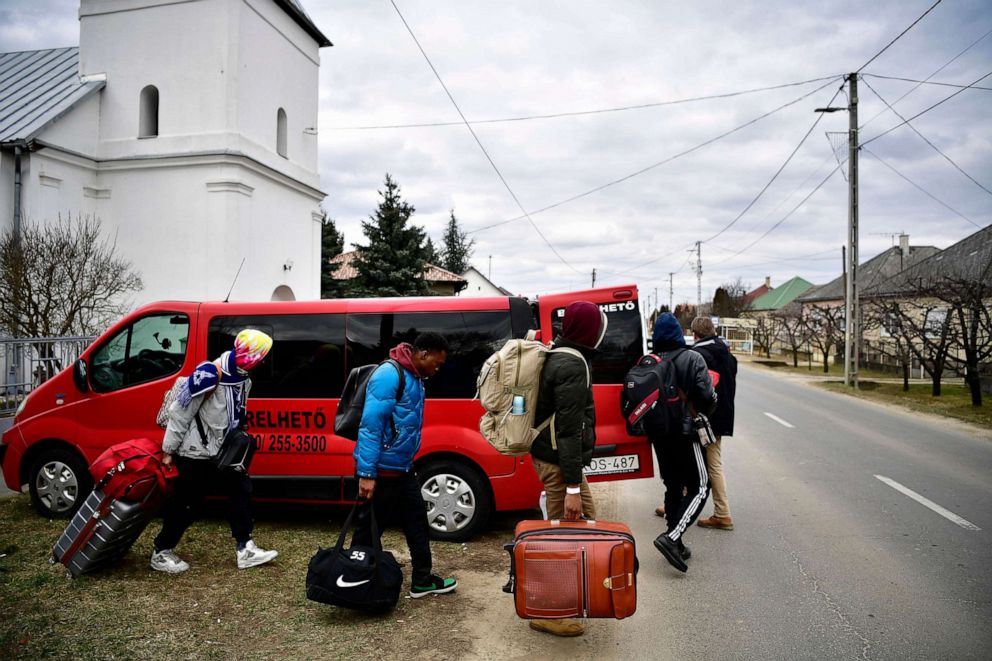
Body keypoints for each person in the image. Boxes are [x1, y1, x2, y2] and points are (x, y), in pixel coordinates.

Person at [150, 329, 278, 573]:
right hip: (195, 453)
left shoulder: (243, 377)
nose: (263, 360)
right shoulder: (210, 373)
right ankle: (161, 551)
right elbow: (180, 411)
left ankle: (245, 548)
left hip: (222, 451)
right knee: (188, 504)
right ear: (250, 355)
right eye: (261, 355)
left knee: (241, 491)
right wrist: (169, 450)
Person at [353, 332, 457, 599]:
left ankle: (422, 580)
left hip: (404, 469)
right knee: (368, 533)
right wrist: (366, 473)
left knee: (418, 525)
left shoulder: (415, 377)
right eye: (437, 362)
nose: (438, 368)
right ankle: (353, 582)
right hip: (383, 472)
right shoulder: (389, 375)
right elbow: (370, 426)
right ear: (423, 354)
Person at [528, 300, 607, 637]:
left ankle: (574, 594)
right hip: (558, 461)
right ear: (589, 331)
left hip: (553, 458)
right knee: (561, 535)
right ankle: (548, 610)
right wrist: (572, 486)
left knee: (587, 522)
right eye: (599, 326)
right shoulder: (572, 365)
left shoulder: (558, 353)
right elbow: (569, 430)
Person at [648, 313, 717, 573]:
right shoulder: (692, 358)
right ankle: (672, 537)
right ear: (679, 333)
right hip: (686, 433)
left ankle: (675, 541)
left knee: (673, 485)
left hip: (659, 434)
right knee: (701, 486)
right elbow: (707, 396)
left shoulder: (650, 361)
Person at [689, 317, 737, 531]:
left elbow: (698, 389)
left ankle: (722, 513)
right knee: (700, 460)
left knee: (707, 462)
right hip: (722, 414)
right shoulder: (726, 353)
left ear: (695, 334)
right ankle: (681, 503)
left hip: (705, 418)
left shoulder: (699, 355)